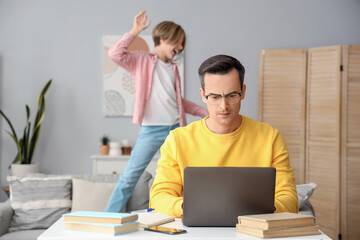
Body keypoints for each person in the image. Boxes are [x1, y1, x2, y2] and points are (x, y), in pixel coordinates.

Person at [149, 54, 299, 217]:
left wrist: (261, 208)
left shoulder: (270, 138)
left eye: (231, 96)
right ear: (202, 95)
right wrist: (191, 206)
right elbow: (158, 199)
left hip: (253, 228)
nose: (223, 106)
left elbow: (290, 200)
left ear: (243, 92)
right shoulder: (177, 140)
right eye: (214, 97)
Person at [105, 11, 208, 212]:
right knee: (130, 177)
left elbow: (177, 101)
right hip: (151, 130)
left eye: (182, 45)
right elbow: (114, 54)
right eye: (177, 43)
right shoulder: (141, 60)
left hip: (177, 129)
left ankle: (190, 215)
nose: (180, 48)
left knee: (187, 177)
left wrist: (204, 112)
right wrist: (135, 31)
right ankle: (107, 220)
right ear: (162, 39)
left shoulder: (173, 68)